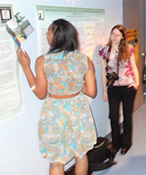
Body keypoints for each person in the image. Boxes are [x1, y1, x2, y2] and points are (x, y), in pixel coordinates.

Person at [17, 19, 97, 175]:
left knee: (56, 160)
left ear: (58, 35)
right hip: (78, 109)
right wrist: (74, 84)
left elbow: (40, 93)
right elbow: (91, 92)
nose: (46, 34)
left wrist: (25, 67)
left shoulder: (43, 61)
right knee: (81, 155)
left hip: (55, 112)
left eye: (49, 31)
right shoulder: (84, 59)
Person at [99, 24, 139, 155]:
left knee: (127, 115)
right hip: (113, 88)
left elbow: (133, 66)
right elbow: (102, 71)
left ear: (122, 37)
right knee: (114, 116)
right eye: (113, 34)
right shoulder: (104, 50)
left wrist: (137, 83)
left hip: (128, 86)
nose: (114, 37)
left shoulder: (128, 49)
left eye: (117, 35)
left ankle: (126, 143)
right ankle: (116, 143)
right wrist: (104, 90)